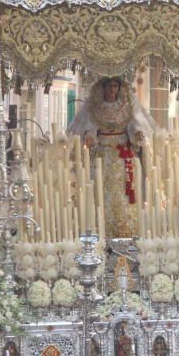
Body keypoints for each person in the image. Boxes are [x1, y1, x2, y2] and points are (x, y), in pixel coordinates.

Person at [67, 76, 160, 238]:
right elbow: (88, 127)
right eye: (109, 86)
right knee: (100, 188)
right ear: (102, 88)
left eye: (115, 86)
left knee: (127, 189)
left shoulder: (127, 106)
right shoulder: (94, 107)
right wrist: (90, 137)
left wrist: (137, 136)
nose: (112, 89)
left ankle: (127, 226)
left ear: (119, 88)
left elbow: (136, 126)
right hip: (102, 155)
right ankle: (101, 226)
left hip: (124, 154)